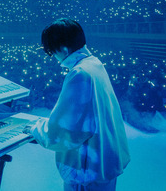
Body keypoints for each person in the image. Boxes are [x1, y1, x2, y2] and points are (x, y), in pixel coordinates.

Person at [27, 19, 130, 191]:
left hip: (87, 172)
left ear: (63, 48)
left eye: (53, 51)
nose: (54, 58)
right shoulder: (94, 64)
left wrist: (35, 129)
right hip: (105, 164)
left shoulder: (79, 74)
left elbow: (64, 132)